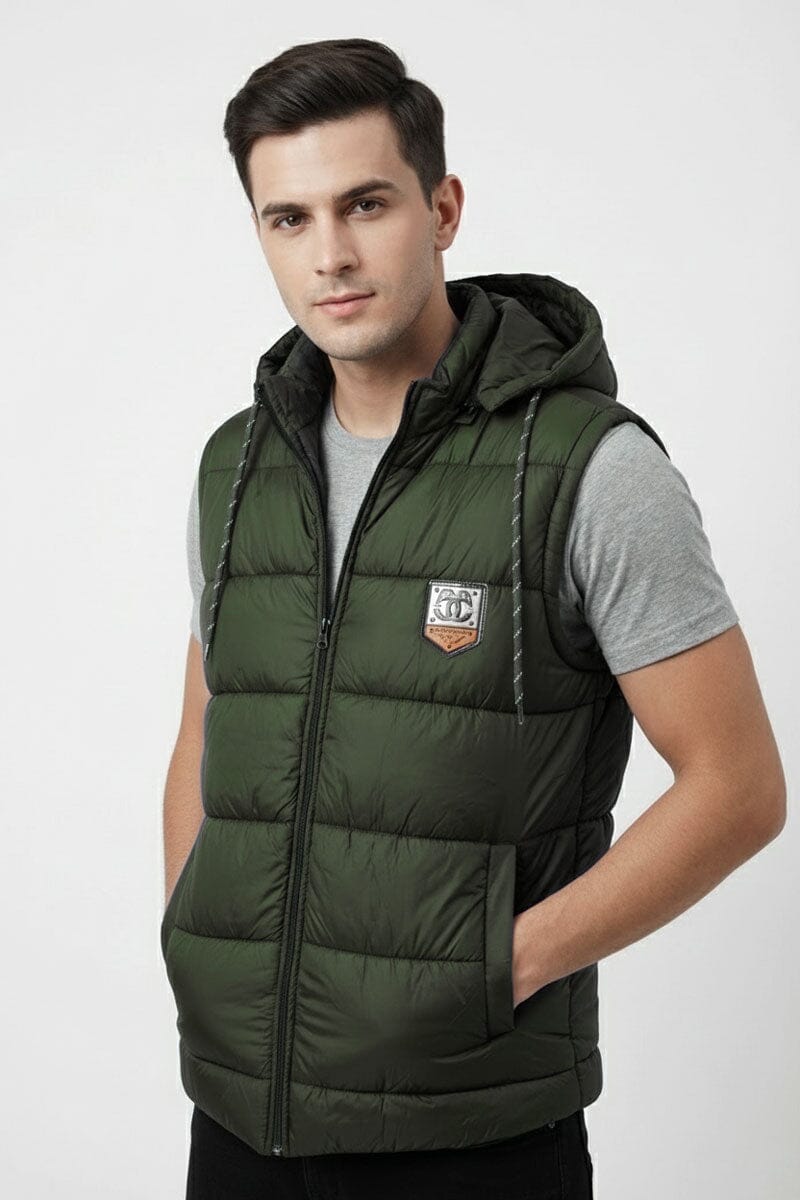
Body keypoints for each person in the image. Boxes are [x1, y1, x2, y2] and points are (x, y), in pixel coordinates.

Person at [160, 37, 787, 1200]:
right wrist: (194, 941)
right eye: (288, 219)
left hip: (472, 1135)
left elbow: (738, 787)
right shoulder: (237, 468)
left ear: (441, 208)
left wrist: (495, 969)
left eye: (365, 204)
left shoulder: (587, 470)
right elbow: (208, 727)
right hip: (238, 1120)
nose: (330, 254)